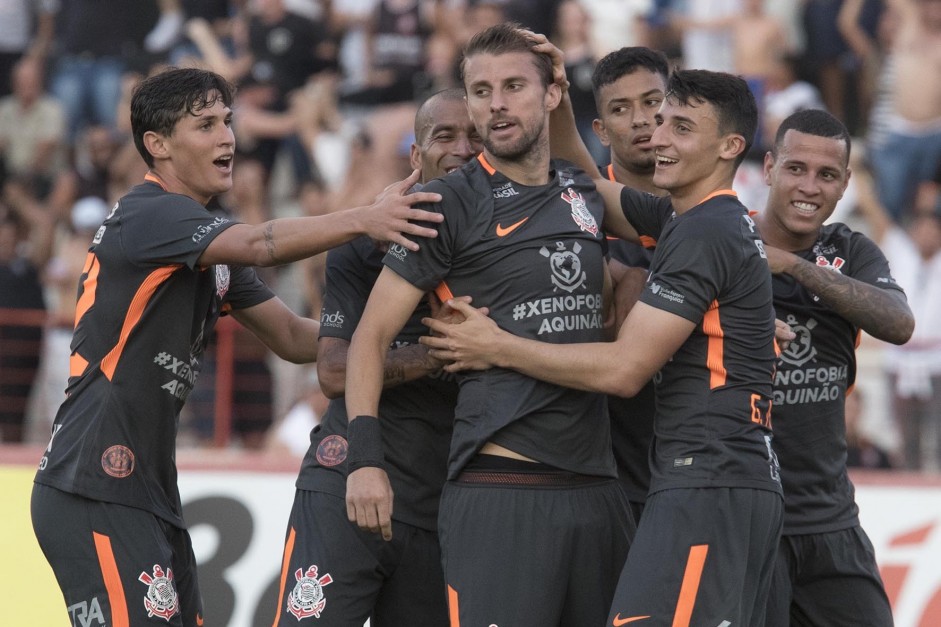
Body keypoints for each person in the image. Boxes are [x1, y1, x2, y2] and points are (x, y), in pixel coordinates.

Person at [30, 66, 444, 627]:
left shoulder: (207, 244)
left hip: (148, 490)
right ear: (158, 145)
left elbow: (299, 340)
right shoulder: (150, 213)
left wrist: (421, 349)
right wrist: (365, 218)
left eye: (227, 121)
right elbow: (261, 242)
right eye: (204, 125)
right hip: (92, 482)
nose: (227, 136)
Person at [423, 49, 783, 625]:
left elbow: (623, 370)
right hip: (723, 478)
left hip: (708, 478)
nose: (656, 134)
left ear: (730, 147)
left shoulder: (702, 230)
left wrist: (497, 347)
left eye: (678, 126)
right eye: (660, 119)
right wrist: (559, 95)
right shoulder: (703, 220)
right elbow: (582, 187)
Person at [345, 24, 634, 627]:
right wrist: (364, 460)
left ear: (551, 94)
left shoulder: (583, 190)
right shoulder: (447, 202)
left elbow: (689, 225)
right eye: (481, 90)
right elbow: (369, 340)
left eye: (512, 86)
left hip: (598, 485)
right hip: (504, 485)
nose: (496, 103)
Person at [269, 87, 479, 626]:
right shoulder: (365, 244)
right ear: (416, 155)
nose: (461, 147)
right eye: (444, 136)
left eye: (475, 136)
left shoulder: (506, 250)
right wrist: (435, 357)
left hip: (444, 507)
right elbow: (335, 371)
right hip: (348, 482)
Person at [755, 108, 912, 626]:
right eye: (796, 168)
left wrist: (798, 267)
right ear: (769, 167)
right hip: (751, 521)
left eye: (827, 175)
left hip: (831, 522)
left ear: (845, 183)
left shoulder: (849, 249)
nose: (809, 186)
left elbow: (898, 322)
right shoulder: (725, 241)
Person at [590, 45, 669, 523]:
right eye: (621, 109)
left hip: (693, 475)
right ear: (600, 130)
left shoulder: (723, 215)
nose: (641, 120)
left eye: (652, 101)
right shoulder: (574, 215)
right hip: (603, 475)